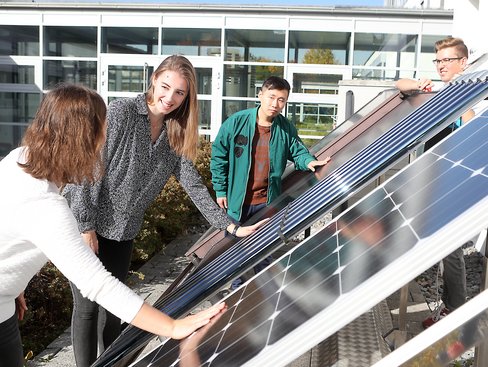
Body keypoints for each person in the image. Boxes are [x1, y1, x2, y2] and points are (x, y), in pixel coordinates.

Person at [0, 84, 227, 367]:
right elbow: (98, 285)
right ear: (83, 137)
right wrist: (172, 327)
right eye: (101, 127)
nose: (105, 135)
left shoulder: (19, 158)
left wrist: (16, 282)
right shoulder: (46, 207)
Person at [62, 56, 264, 367]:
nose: (169, 98)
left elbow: (192, 184)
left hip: (123, 232)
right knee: (88, 308)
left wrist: (230, 226)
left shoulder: (176, 131)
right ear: (154, 79)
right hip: (84, 222)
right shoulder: (121, 112)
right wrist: (85, 227)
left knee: (115, 310)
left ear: (187, 97)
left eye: (179, 93)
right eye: (166, 87)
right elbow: (92, 168)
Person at [210, 76, 330, 289]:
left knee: (264, 251)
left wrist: (310, 162)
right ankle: (237, 293)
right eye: (271, 97)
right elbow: (219, 155)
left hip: (267, 202)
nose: (275, 104)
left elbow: (297, 150)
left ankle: (262, 294)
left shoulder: (285, 128)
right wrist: (220, 189)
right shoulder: (237, 122)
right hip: (237, 202)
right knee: (236, 252)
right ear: (261, 95)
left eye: (281, 100)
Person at [396, 37, 474, 328]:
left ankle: (454, 310)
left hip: (452, 185)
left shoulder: (471, 93)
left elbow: (470, 128)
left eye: (447, 60)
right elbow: (399, 85)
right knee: (442, 250)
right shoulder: (439, 90)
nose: (441, 65)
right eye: (438, 60)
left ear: (463, 63)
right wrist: (419, 84)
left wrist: (462, 104)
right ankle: (451, 305)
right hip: (430, 180)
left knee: (451, 250)